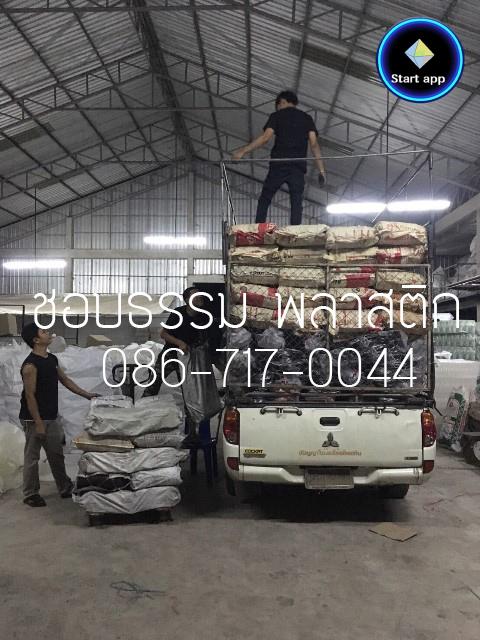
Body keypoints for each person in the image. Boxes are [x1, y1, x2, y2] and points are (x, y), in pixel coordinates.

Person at [19, 323, 99, 507]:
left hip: (51, 416)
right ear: (36, 340)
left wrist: (87, 395)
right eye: (43, 332)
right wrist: (38, 423)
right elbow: (30, 395)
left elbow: (65, 380)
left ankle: (64, 487)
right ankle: (30, 494)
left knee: (56, 454)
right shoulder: (30, 365)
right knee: (32, 457)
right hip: (33, 418)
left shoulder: (51, 359)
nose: (48, 333)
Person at [232, 90, 326, 225]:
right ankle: (295, 232)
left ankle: (259, 228)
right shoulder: (307, 118)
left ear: (282, 102)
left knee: (265, 198)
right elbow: (314, 144)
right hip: (297, 166)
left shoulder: (276, 116)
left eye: (278, 105)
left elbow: (265, 138)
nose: (278, 108)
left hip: (279, 164)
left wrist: (243, 151)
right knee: (296, 201)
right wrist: (321, 170)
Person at [146, 286, 208, 395]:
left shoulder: (203, 316)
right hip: (171, 353)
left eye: (200, 295)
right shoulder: (178, 313)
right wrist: (180, 343)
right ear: (187, 300)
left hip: (188, 356)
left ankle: (190, 406)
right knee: (154, 383)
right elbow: (163, 334)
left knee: (189, 388)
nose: (200, 297)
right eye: (196, 295)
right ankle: (144, 403)